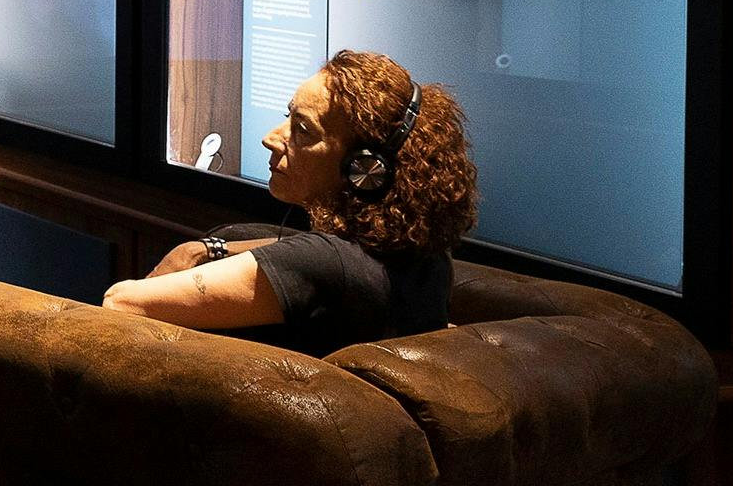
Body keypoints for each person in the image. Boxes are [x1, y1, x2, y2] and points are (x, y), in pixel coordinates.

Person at [103, 51, 477, 357]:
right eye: (289, 118)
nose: (271, 138)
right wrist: (206, 248)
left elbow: (121, 303)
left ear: (363, 169)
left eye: (303, 130)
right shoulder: (425, 257)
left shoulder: (324, 265)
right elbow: (318, 249)